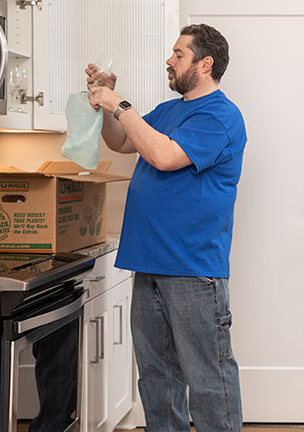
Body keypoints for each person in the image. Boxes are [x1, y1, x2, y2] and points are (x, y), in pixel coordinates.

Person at [86, 23, 245, 432]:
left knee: (209, 380)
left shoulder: (221, 115)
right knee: (157, 379)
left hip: (192, 269)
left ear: (204, 64)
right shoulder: (170, 110)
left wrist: (120, 104)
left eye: (179, 54)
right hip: (150, 263)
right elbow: (122, 142)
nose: (169, 61)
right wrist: (107, 109)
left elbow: (163, 156)